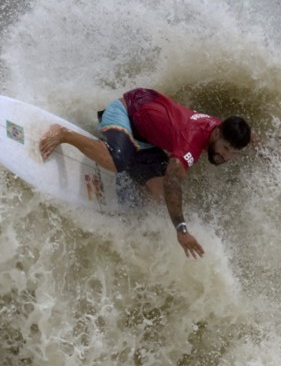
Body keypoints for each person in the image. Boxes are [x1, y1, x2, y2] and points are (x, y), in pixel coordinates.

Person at [39, 88, 251, 259]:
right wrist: (181, 230)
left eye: (232, 152)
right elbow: (173, 181)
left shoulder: (220, 127)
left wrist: (266, 150)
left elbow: (248, 136)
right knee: (116, 161)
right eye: (224, 148)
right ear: (216, 133)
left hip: (146, 138)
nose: (225, 155)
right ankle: (64, 135)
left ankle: (124, 185)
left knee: (158, 199)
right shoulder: (192, 141)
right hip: (127, 113)